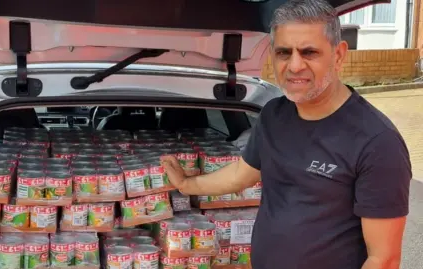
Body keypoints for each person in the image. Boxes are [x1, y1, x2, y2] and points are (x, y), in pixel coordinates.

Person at [161, 0, 412, 268]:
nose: (294, 66)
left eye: (309, 52)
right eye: (284, 52)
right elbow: (239, 175)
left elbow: (383, 259)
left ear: (338, 55)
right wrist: (188, 185)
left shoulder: (377, 142)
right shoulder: (274, 115)